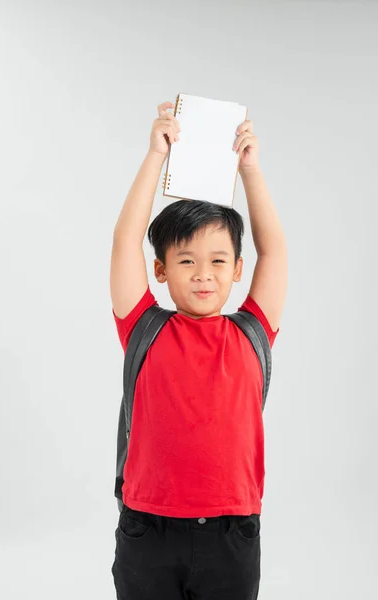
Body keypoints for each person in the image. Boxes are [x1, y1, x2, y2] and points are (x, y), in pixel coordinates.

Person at [109, 100, 288, 600]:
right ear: (161, 270)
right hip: (148, 530)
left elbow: (274, 250)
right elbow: (126, 241)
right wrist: (154, 157)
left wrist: (249, 170)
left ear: (237, 269)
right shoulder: (144, 326)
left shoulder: (252, 333)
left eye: (217, 260)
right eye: (186, 260)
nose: (203, 273)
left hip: (231, 532)